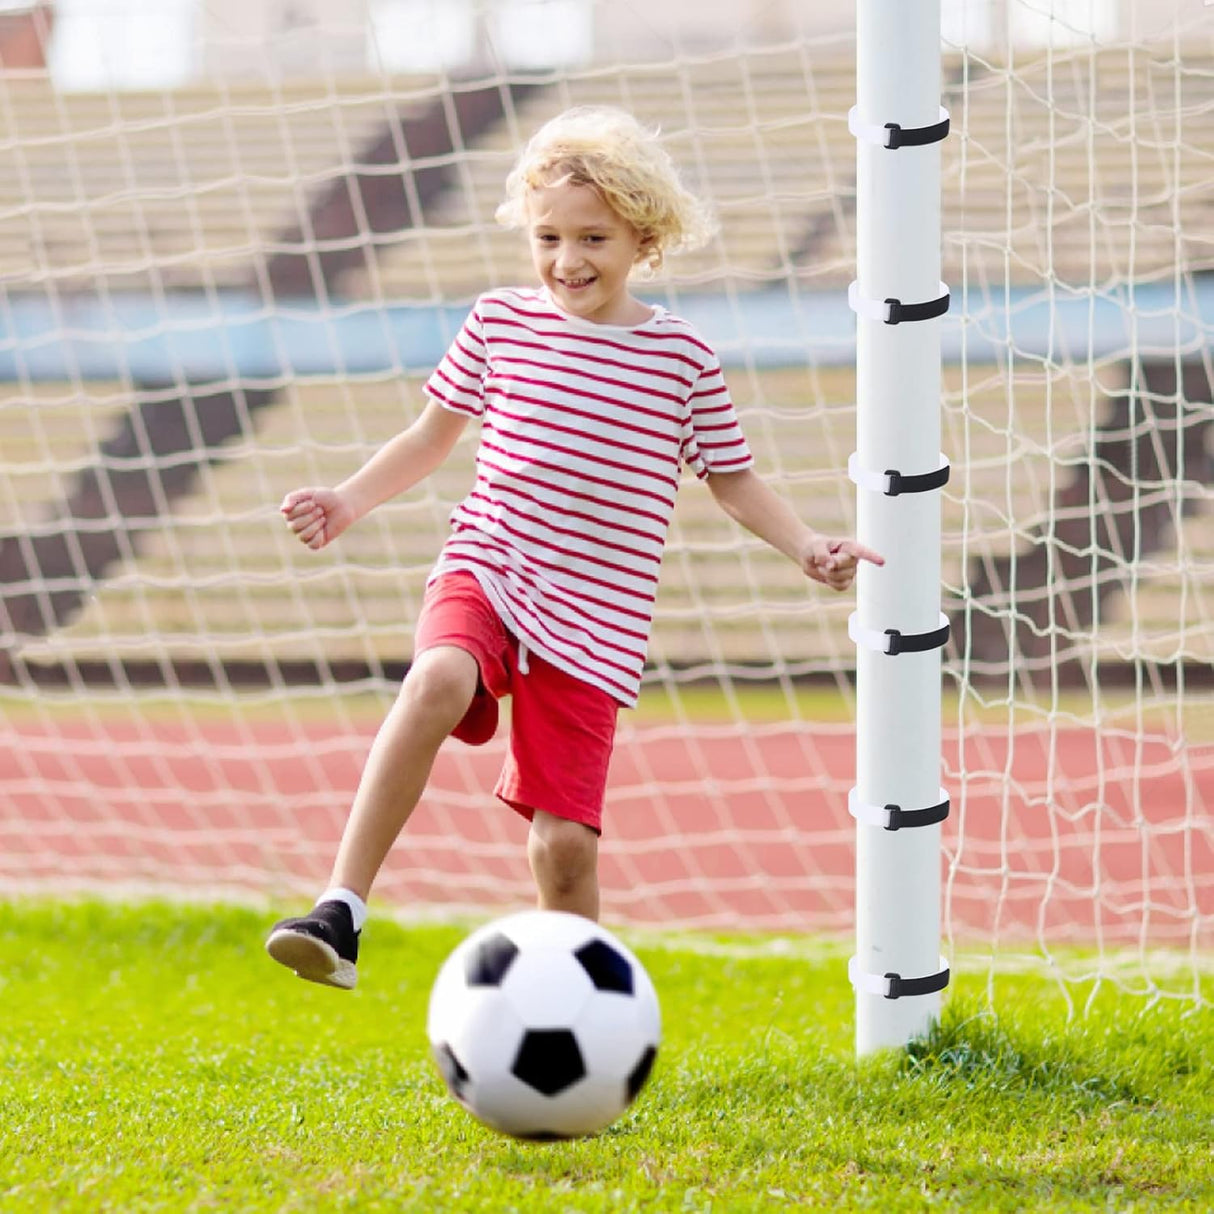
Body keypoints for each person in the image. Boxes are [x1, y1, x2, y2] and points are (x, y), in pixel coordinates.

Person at [265, 105, 883, 989]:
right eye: (548, 236)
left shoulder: (683, 359)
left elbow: (733, 479)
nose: (568, 260)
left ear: (645, 238)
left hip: (597, 620)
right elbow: (429, 438)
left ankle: (582, 1001)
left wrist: (807, 548)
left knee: (561, 848)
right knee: (437, 676)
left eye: (593, 236)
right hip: (490, 561)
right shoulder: (498, 323)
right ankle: (341, 909)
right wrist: (345, 500)